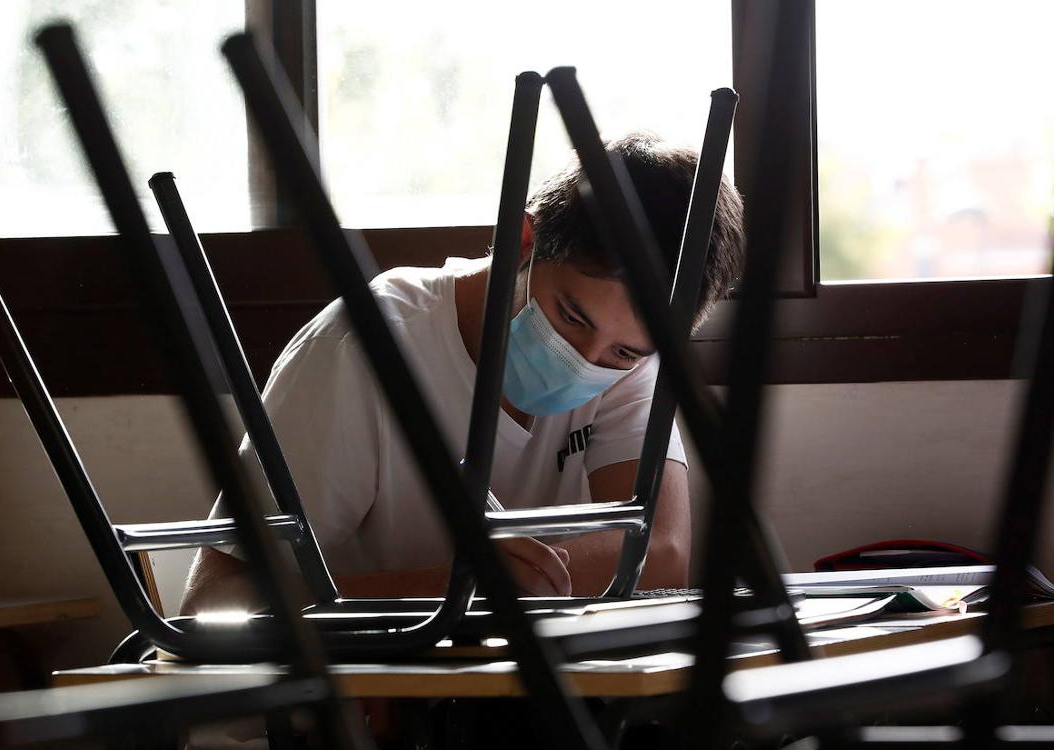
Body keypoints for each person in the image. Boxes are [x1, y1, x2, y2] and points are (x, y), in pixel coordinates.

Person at [179, 130, 745, 614]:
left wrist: (520, 579)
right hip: (314, 724)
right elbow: (213, 601)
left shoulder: (628, 357)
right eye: (570, 316)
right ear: (523, 239)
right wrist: (453, 589)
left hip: (488, 716)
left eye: (624, 353)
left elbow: (661, 553)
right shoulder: (367, 346)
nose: (587, 360)